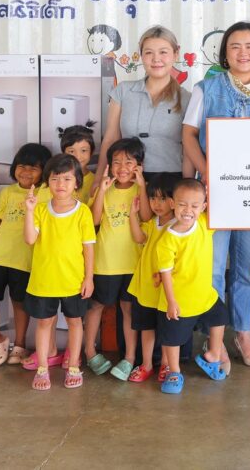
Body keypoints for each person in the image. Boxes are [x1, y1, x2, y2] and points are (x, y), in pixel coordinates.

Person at [183, 21, 250, 369]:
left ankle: (244, 333)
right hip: (213, 194)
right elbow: (188, 135)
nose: (243, 53)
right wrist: (207, 174)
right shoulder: (206, 89)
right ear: (225, 54)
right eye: (235, 46)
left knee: (247, 268)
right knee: (212, 267)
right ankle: (215, 338)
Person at [0, 143, 52, 367]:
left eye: (33, 168)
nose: (25, 172)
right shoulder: (7, 192)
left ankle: (20, 344)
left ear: (44, 171)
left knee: (20, 302)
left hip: (25, 258)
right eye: (21, 166)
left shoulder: (46, 193)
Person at [23, 154, 96, 390]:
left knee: (75, 322)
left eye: (66, 179)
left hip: (74, 281)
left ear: (77, 182)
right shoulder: (41, 210)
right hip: (44, 281)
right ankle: (43, 368)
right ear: (47, 182)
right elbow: (30, 239)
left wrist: (89, 278)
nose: (60, 184)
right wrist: (29, 210)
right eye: (55, 179)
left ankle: (73, 366)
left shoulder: (83, 212)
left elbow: (88, 248)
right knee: (44, 323)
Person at [84, 138, 151, 380]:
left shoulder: (143, 189)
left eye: (129, 162)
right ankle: (89, 351)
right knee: (96, 306)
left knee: (128, 308)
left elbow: (146, 217)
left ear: (139, 165)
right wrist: (101, 190)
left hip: (133, 262)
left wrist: (142, 187)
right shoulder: (103, 189)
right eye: (117, 162)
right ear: (109, 165)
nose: (122, 167)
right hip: (105, 262)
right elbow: (94, 221)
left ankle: (130, 358)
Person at [156, 179, 228, 394]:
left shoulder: (204, 223)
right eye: (182, 204)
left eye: (195, 206)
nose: (188, 210)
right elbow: (165, 273)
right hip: (180, 301)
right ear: (172, 204)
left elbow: (221, 207)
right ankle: (174, 371)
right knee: (173, 339)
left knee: (220, 317)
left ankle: (213, 355)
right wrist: (171, 301)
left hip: (205, 296)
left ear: (203, 207)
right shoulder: (167, 239)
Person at [99, 26, 191, 186]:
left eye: (163, 52)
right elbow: (111, 139)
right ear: (141, 56)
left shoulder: (186, 98)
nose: (156, 59)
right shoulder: (123, 91)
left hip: (169, 181)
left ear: (176, 54)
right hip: (127, 178)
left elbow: (189, 148)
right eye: (149, 53)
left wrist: (187, 184)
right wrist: (99, 178)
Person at [126, 174, 179, 383]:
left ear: (174, 200)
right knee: (146, 327)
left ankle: (166, 364)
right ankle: (146, 364)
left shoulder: (178, 226)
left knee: (166, 328)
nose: (157, 203)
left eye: (163, 198)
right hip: (146, 287)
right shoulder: (151, 223)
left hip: (166, 289)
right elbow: (138, 237)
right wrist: (133, 215)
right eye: (153, 198)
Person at [60, 124, 97, 203]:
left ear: (92, 151)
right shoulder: (55, 179)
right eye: (71, 151)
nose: (77, 156)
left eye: (83, 150)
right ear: (63, 153)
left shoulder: (96, 181)